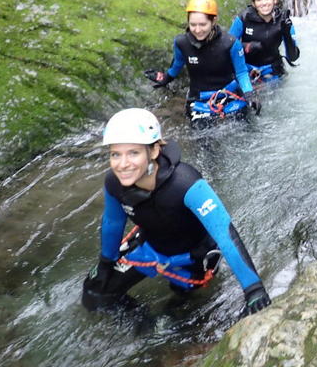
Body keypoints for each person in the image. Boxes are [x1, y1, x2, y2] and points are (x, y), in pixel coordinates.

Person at [81, 108, 271, 315]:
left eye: (133, 153)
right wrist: (106, 261)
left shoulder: (186, 184)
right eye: (115, 154)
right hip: (149, 247)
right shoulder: (114, 182)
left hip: (191, 257)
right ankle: (142, 322)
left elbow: (225, 234)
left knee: (180, 309)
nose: (122, 164)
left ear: (153, 151)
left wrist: (253, 289)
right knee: (95, 293)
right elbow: (113, 223)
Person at [144, 0, 259, 119]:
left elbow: (241, 72)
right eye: (193, 25)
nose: (197, 30)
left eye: (203, 24)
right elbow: (177, 64)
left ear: (214, 21)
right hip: (199, 99)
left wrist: (249, 93)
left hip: (230, 95)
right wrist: (165, 78)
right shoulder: (182, 43)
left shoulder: (230, 43)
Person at [229, 0, 300, 83]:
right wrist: (246, 46)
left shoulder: (283, 21)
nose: (264, 3)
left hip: (273, 70)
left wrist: (287, 34)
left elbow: (293, 57)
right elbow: (227, 48)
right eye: (259, 0)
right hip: (247, 70)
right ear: (253, 3)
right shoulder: (243, 19)